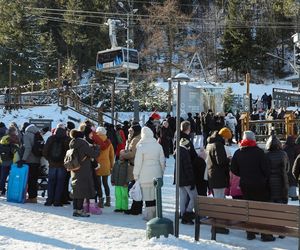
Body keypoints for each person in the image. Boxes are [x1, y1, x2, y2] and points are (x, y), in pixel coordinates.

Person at [231, 131, 274, 241]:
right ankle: (265, 233)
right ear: (254, 140)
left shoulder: (238, 153)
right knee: (262, 209)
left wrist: (244, 174)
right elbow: (267, 170)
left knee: (248, 208)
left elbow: (234, 169)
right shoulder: (260, 153)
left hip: (245, 185)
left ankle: (250, 232)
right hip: (260, 185)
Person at [133, 126, 165, 221]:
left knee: (147, 196)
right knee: (156, 195)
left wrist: (136, 175)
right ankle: (156, 214)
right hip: (157, 174)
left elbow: (138, 162)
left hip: (144, 174)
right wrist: (161, 172)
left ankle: (149, 215)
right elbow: (162, 161)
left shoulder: (141, 146)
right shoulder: (158, 146)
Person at [69, 129, 100, 217]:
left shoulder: (72, 143)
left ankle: (76, 209)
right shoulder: (82, 144)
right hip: (83, 169)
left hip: (75, 168)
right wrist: (97, 148)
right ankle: (79, 210)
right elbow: (93, 154)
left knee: (76, 188)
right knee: (82, 190)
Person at [43, 127, 70, 206]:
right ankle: (57, 201)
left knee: (51, 183)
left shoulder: (50, 138)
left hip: (52, 165)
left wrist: (49, 160)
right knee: (60, 183)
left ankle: (49, 200)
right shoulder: (67, 140)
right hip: (62, 165)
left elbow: (45, 151)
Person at [120, 123, 142, 215]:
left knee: (133, 188)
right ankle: (137, 208)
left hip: (133, 166)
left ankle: (135, 208)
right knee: (137, 187)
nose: (129, 132)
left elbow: (131, 154)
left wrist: (122, 153)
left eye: (131, 131)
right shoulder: (138, 138)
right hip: (137, 165)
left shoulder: (135, 140)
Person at [21, 124, 43, 203]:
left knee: (30, 180)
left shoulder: (27, 134)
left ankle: (31, 197)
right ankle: (33, 197)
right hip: (37, 160)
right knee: (34, 179)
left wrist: (23, 159)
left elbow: (28, 147)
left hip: (29, 160)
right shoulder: (37, 134)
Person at [177, 138, 197, 225]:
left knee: (183, 197)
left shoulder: (177, 151)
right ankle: (188, 214)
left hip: (180, 179)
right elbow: (188, 167)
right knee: (194, 197)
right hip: (186, 179)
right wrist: (191, 180)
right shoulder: (185, 153)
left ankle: (182, 213)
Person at [94, 126, 115, 208]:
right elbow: (112, 156)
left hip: (97, 165)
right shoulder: (109, 142)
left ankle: (100, 201)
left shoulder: (95, 141)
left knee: (98, 184)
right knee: (105, 183)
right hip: (106, 165)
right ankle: (108, 200)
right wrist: (111, 166)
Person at [265, 135, 289, 204]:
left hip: (269, 183)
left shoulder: (266, 155)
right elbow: (287, 168)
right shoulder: (283, 154)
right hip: (282, 181)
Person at [283, 136, 298, 201]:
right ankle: (293, 195)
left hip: (286, 167)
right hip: (293, 166)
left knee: (286, 181)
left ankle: (287, 194)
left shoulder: (284, 148)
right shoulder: (296, 148)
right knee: (293, 181)